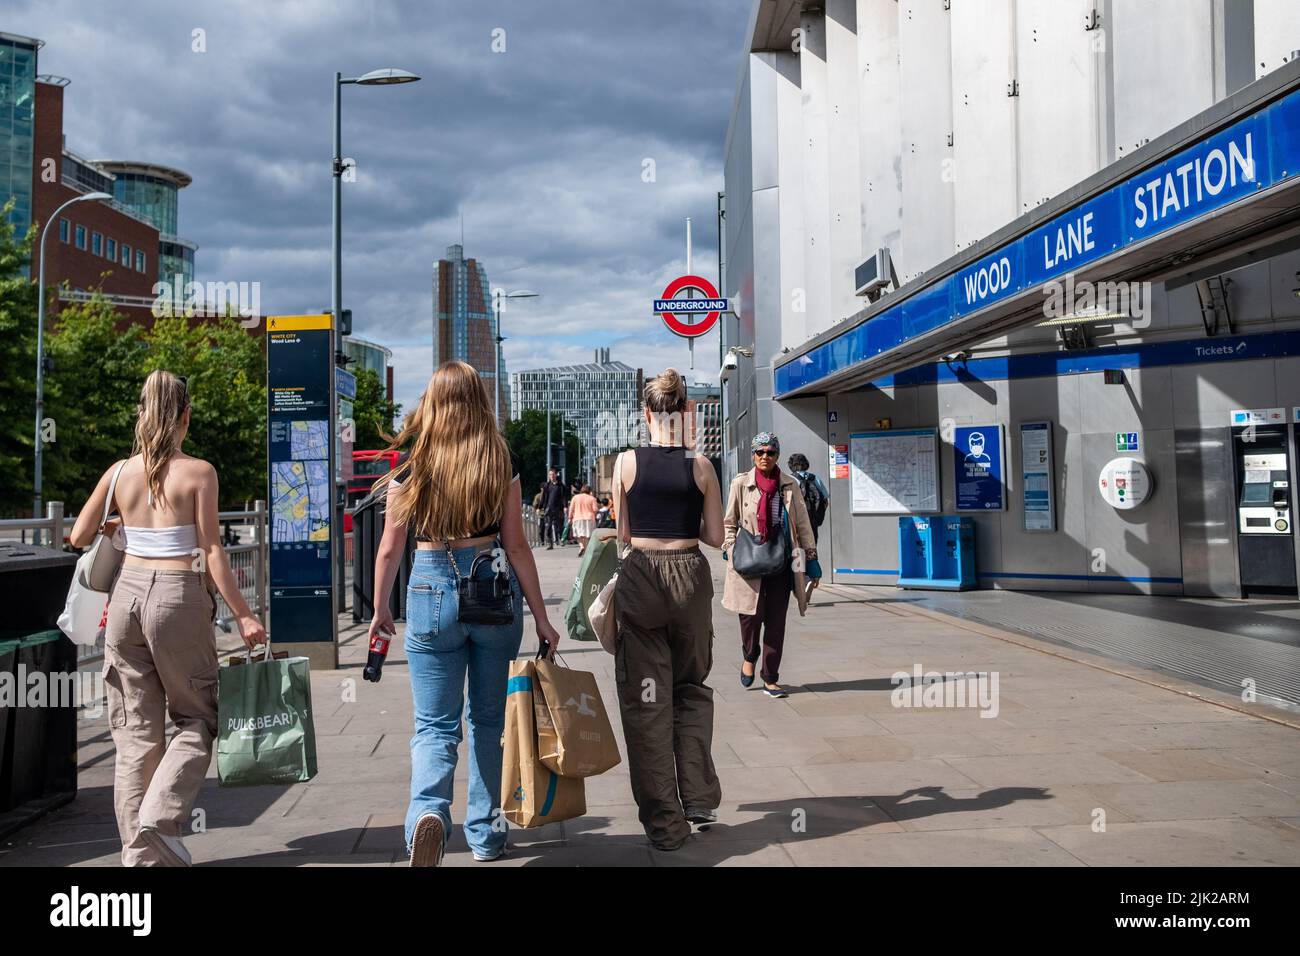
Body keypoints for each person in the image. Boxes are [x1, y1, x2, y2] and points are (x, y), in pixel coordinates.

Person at [69, 370, 267, 867]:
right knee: (197, 716)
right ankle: (160, 816)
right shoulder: (199, 472)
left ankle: (139, 859)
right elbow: (213, 551)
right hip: (178, 597)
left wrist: (120, 521)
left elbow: (78, 535)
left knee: (136, 733)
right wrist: (244, 616)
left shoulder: (118, 473)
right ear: (185, 415)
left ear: (142, 413)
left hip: (125, 598)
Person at [368, 361, 561, 867]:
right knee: (489, 722)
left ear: (432, 403)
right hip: (492, 588)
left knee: (434, 727)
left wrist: (380, 608)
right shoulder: (498, 460)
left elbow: (390, 548)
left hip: (430, 585)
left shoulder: (413, 465)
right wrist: (542, 618)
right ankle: (487, 836)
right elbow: (517, 548)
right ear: (479, 401)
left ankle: (428, 817)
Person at [612, 368, 725, 850]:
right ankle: (698, 795)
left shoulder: (625, 464)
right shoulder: (701, 467)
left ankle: (665, 825)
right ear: (685, 412)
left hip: (641, 578)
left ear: (646, 414)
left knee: (647, 702)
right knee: (691, 688)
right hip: (690, 578)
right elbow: (717, 538)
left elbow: (621, 535)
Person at [722, 433, 820, 699]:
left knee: (776, 621)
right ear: (753, 455)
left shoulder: (789, 485)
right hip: (749, 561)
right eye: (760, 452)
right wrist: (731, 549)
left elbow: (802, 525)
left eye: (770, 452)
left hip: (782, 560)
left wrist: (811, 559)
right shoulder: (741, 483)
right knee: (750, 618)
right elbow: (729, 522)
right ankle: (750, 655)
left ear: (777, 455)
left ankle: (771, 678)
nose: (765, 457)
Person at [787, 453, 830, 544]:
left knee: (796, 549)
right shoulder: (815, 478)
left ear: (791, 465)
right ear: (806, 464)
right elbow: (825, 500)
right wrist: (816, 513)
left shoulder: (789, 479)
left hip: (795, 522)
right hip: (812, 522)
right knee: (811, 546)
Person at [568, 484, 599, 555]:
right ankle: (586, 549)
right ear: (589, 491)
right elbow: (595, 509)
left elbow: (571, 509)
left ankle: (582, 546)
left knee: (579, 534)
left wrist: (570, 517)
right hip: (589, 518)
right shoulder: (592, 498)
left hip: (578, 518)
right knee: (588, 535)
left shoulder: (575, 497)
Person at [540, 468, 566, 549]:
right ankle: (550, 543)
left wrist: (565, 506)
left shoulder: (560, 486)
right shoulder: (547, 486)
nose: (551, 476)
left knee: (559, 525)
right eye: (550, 474)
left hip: (558, 508)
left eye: (553, 474)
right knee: (548, 526)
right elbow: (543, 497)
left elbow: (563, 497)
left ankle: (560, 539)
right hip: (549, 508)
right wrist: (540, 507)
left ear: (556, 475)